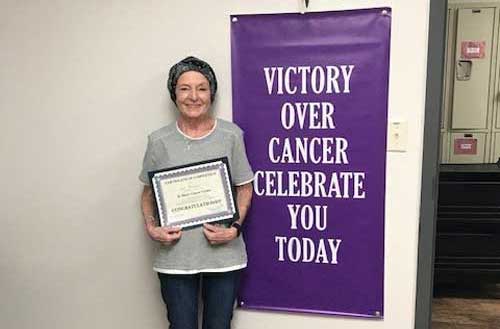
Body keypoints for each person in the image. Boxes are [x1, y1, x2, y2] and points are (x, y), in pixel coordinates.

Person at [139, 56, 254, 329]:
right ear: (174, 94)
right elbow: (147, 193)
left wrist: (235, 229)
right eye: (184, 88)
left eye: (201, 88)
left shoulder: (231, 135)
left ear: (211, 93)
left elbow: (245, 186)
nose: (193, 96)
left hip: (224, 255)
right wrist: (152, 228)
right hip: (176, 257)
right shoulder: (159, 141)